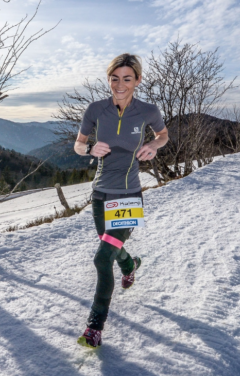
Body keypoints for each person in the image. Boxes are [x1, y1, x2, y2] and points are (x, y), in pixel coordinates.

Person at [74, 53, 168, 348]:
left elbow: (164, 134)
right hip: (100, 194)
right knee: (110, 247)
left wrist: (153, 144)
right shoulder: (95, 109)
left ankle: (95, 326)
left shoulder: (147, 111)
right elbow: (78, 144)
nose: (120, 84)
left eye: (127, 78)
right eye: (115, 78)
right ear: (109, 79)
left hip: (129, 195)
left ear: (137, 80)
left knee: (102, 258)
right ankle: (130, 266)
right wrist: (89, 148)